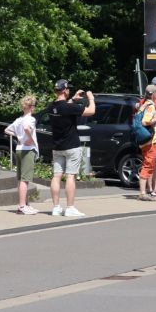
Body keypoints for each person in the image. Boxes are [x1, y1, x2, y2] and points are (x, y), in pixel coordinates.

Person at [47, 80, 95, 217]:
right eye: (68, 89)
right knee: (70, 176)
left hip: (57, 147)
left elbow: (63, 107)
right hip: (72, 147)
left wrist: (73, 99)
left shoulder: (52, 107)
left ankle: (56, 207)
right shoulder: (69, 108)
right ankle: (70, 207)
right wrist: (90, 98)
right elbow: (91, 111)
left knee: (56, 176)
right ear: (64, 91)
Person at [4, 95, 39, 215]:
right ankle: (22, 206)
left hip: (19, 148)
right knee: (25, 179)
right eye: (34, 105)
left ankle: (24, 204)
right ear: (31, 107)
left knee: (20, 179)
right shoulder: (31, 119)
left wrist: (18, 137)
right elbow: (26, 128)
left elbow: (7, 130)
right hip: (28, 149)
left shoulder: (19, 119)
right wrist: (29, 139)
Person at [135, 88, 156, 201]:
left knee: (148, 164)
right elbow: (145, 121)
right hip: (151, 141)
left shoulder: (143, 105)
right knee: (148, 164)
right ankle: (142, 193)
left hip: (145, 141)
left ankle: (143, 192)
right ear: (153, 94)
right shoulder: (150, 106)